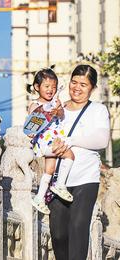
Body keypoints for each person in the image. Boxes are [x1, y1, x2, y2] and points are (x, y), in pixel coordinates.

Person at [48, 64, 110, 260]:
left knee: (78, 228)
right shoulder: (57, 109)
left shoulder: (98, 110)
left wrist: (71, 140)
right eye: (74, 82)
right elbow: (40, 137)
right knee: (58, 234)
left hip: (86, 178)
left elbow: (101, 140)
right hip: (58, 180)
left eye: (83, 84)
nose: (77, 87)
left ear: (92, 88)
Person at [24, 68, 74, 215]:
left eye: (54, 87)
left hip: (54, 139)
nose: (51, 90)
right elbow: (32, 122)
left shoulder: (57, 102)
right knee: (70, 155)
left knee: (50, 170)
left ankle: (39, 198)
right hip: (45, 142)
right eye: (47, 86)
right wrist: (46, 111)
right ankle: (60, 185)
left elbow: (62, 114)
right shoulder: (34, 104)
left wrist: (57, 110)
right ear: (37, 87)